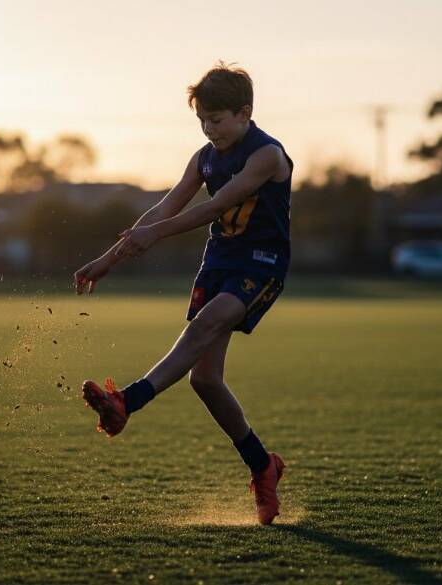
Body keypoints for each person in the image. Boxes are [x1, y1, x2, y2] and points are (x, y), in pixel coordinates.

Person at [73, 62, 293, 525]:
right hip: (220, 261)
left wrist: (158, 235)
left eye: (216, 120)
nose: (209, 129)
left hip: (261, 263)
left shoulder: (266, 156)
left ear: (244, 113)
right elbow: (166, 206)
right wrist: (109, 258)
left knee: (211, 319)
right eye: (202, 121)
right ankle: (263, 466)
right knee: (205, 380)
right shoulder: (203, 157)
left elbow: (215, 206)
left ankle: (126, 402)